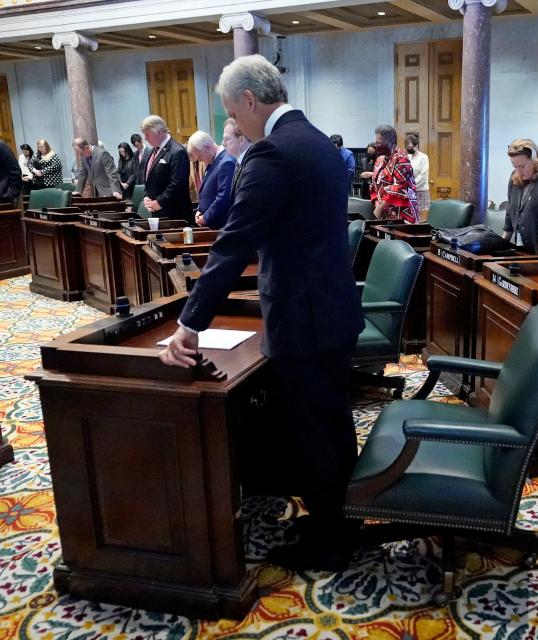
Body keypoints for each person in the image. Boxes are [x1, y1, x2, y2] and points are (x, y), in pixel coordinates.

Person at [158, 54, 363, 571]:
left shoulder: (271, 152)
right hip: (331, 308)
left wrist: (190, 323)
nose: (236, 125)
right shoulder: (316, 140)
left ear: (250, 100)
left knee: (314, 430)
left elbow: (234, 243)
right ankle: (340, 518)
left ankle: (328, 542)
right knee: (333, 423)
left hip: (304, 317)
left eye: (233, 112)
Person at [139, 115, 193, 223]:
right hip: (156, 213)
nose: (145, 139)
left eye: (147, 134)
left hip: (174, 214)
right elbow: (149, 178)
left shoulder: (177, 152)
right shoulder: (151, 152)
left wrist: (160, 202)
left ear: (159, 132)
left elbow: (177, 184)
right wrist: (146, 196)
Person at [187, 130, 236, 229]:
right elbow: (207, 193)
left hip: (221, 224)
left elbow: (223, 197)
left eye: (199, 156)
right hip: (212, 223)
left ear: (206, 148)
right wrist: (200, 211)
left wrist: (206, 217)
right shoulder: (213, 161)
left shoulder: (226, 162)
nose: (200, 160)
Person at [371, 124, 418, 222]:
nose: (376, 146)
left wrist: (380, 208)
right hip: (382, 213)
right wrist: (377, 205)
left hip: (400, 214)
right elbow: (375, 185)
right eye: (376, 142)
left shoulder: (402, 159)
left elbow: (400, 187)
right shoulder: (380, 159)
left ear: (390, 142)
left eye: (379, 143)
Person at [405, 132, 430, 214]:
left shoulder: (423, 157)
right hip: (408, 192)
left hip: (420, 191)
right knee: (410, 217)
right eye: (407, 147)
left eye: (410, 147)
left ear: (416, 146)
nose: (409, 149)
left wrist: (411, 186)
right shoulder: (408, 157)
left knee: (421, 219)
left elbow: (423, 176)